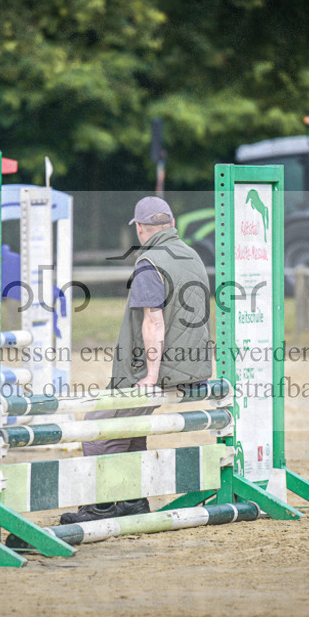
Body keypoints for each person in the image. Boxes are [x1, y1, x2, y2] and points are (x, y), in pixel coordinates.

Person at [59, 196, 212, 524]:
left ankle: (99, 508)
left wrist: (151, 375)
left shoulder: (150, 262)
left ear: (140, 228)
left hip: (160, 369)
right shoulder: (192, 255)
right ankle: (132, 502)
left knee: (97, 427)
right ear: (171, 224)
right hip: (193, 367)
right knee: (130, 430)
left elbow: (154, 321)